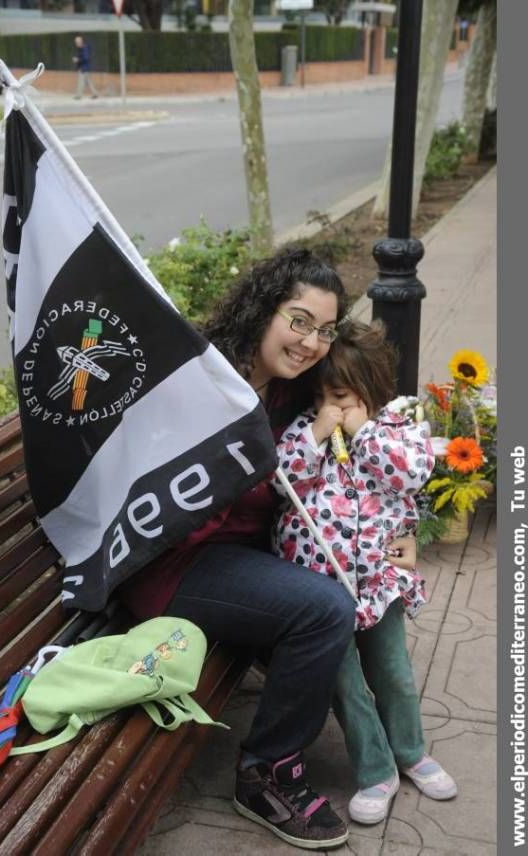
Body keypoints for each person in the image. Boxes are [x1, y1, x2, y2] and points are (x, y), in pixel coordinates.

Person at [122, 248, 414, 850]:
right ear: (263, 310)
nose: (310, 342)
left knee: (353, 586)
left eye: (324, 330)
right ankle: (266, 771)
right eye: (298, 320)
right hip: (177, 565)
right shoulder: (200, 386)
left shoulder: (290, 389)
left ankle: (386, 735)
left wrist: (398, 531)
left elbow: (365, 430)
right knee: (324, 607)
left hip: (246, 556)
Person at [272, 319, 457, 827]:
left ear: (371, 388)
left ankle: (411, 751)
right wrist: (317, 431)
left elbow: (409, 474)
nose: (332, 407)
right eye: (323, 396)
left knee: (392, 672)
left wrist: (362, 430)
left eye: (342, 396)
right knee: (345, 683)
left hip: (379, 584)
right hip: (321, 589)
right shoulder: (309, 428)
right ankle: (376, 770)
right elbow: (283, 477)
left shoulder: (399, 432)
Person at [72, 35, 99, 100]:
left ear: (80, 42)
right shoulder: (81, 48)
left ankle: (78, 95)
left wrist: (77, 59)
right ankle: (95, 94)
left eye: (77, 42)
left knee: (81, 82)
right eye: (76, 42)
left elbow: (86, 58)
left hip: (84, 68)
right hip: (84, 67)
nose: (76, 44)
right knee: (88, 82)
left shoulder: (84, 48)